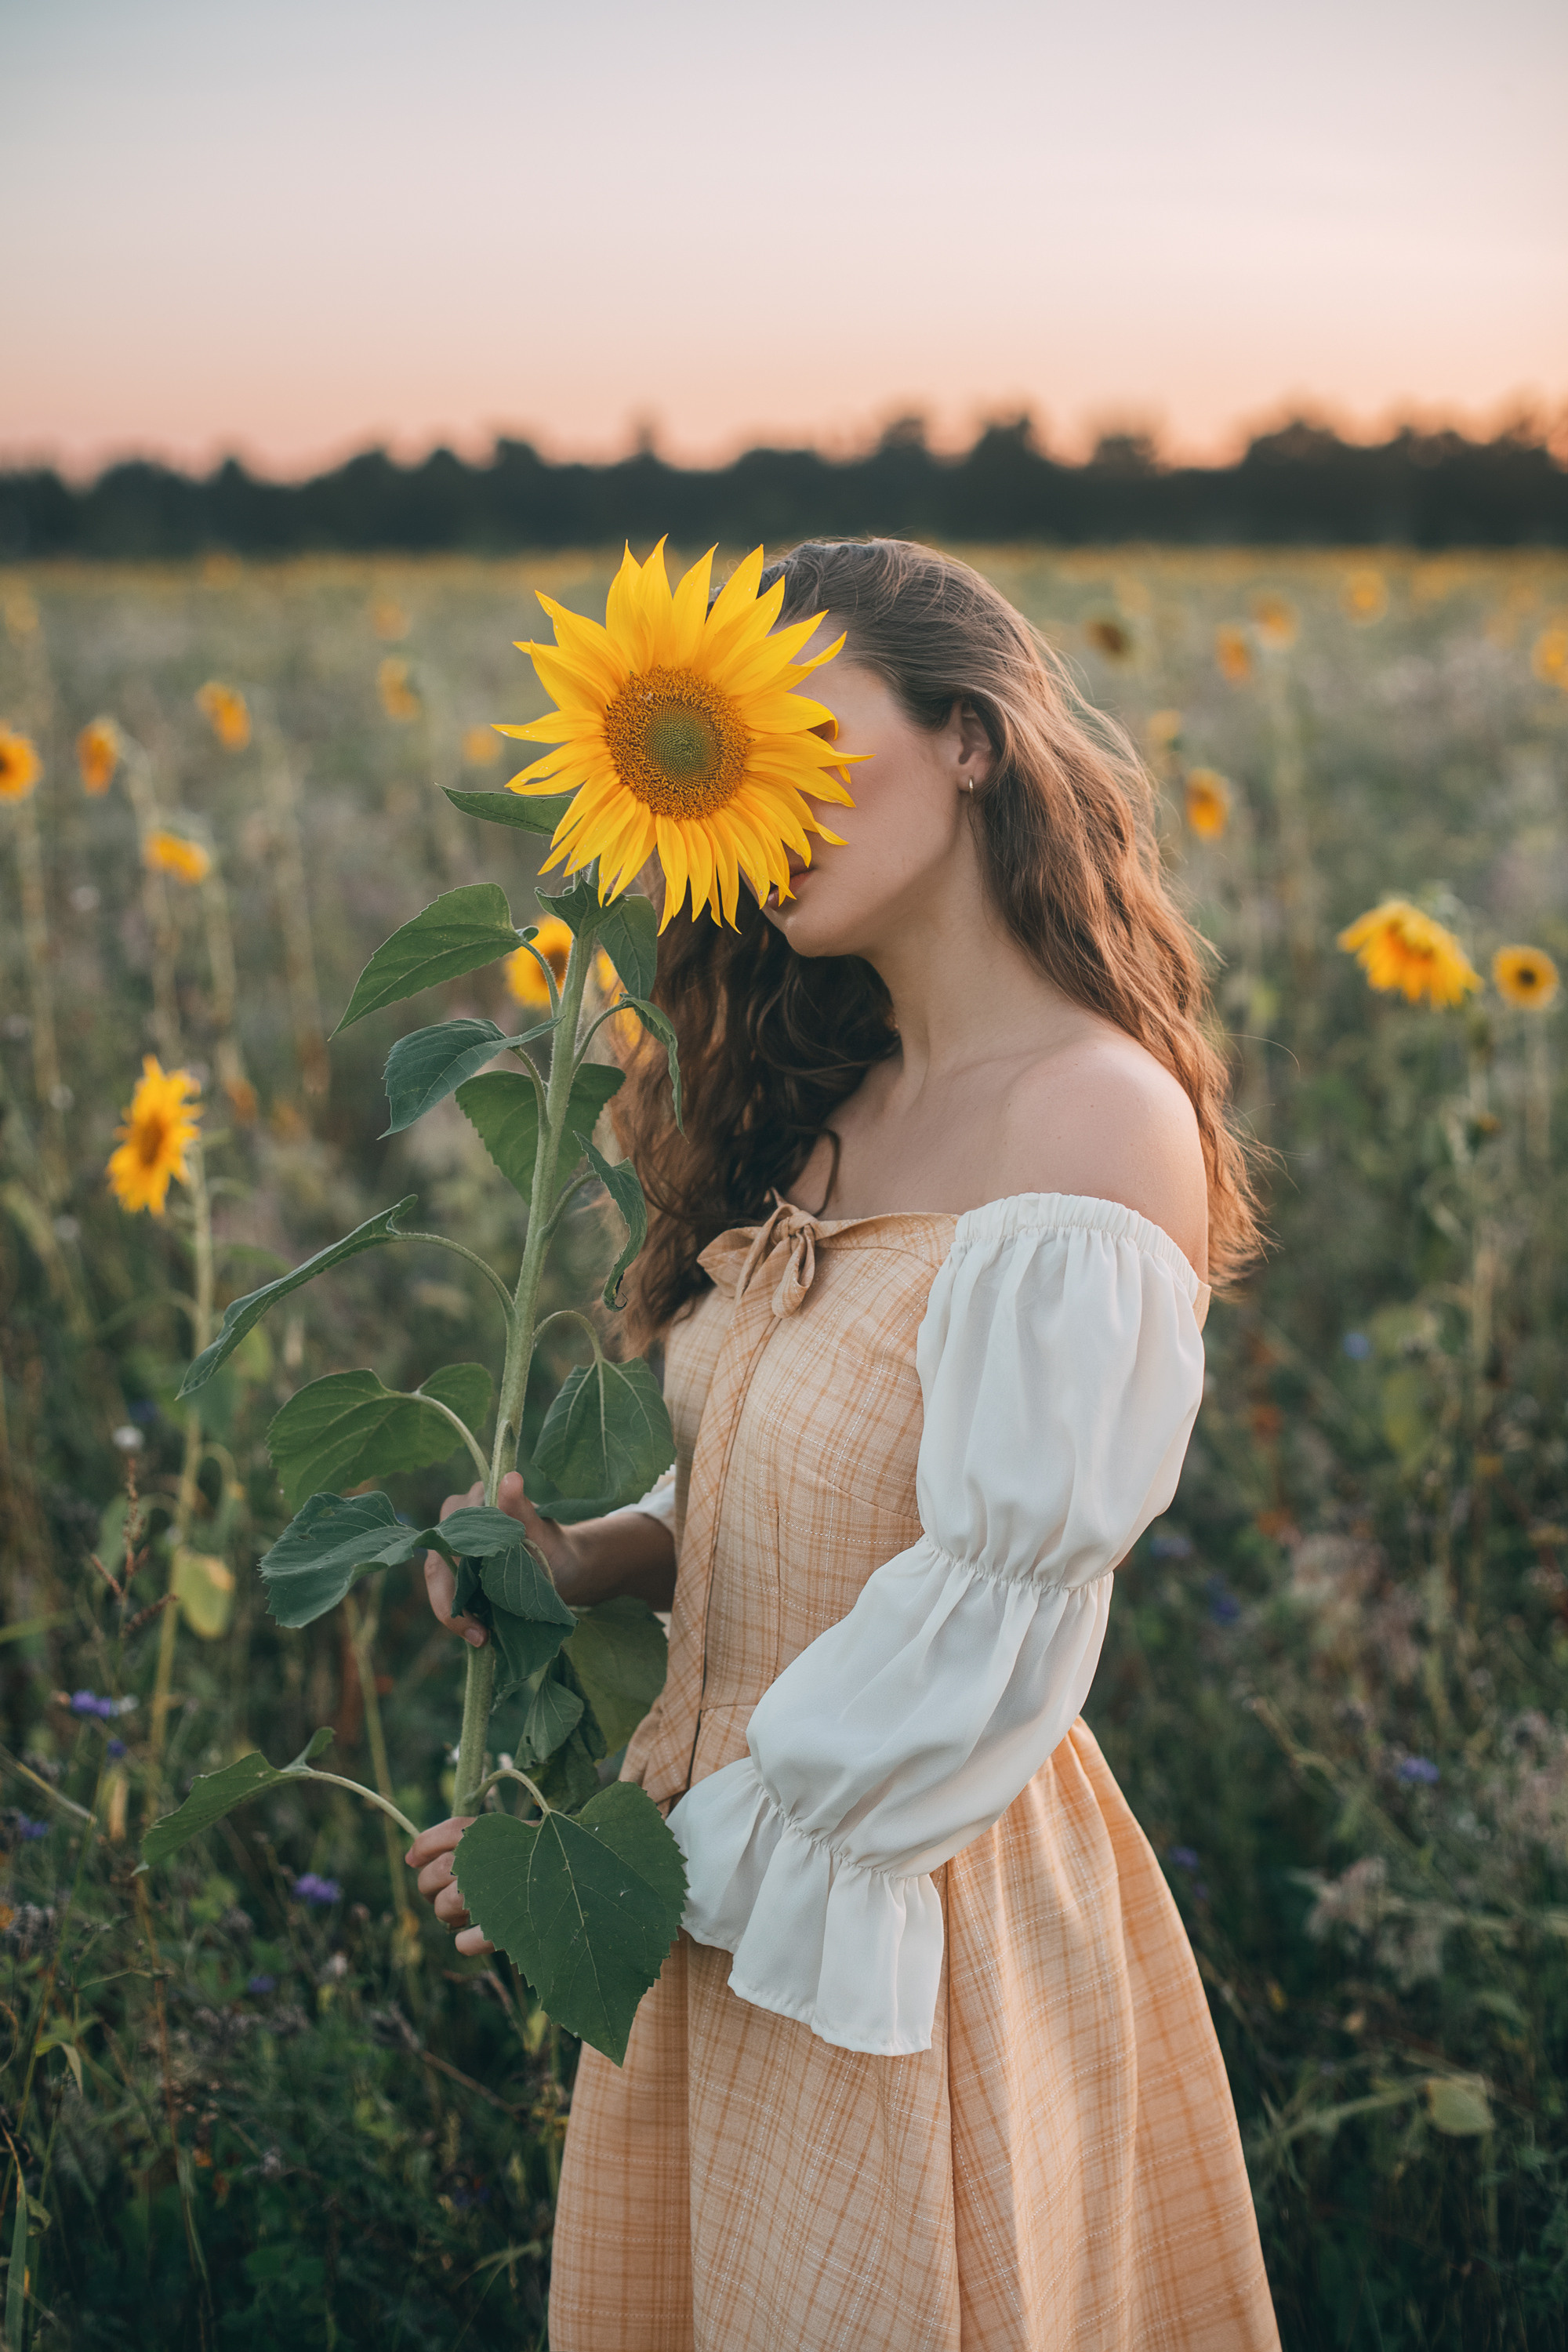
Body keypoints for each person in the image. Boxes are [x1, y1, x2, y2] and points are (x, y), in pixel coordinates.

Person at [406, 539, 1282, 2350]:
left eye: (815, 742)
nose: (768, 805)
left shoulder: (1089, 1120)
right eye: (734, 765)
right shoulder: (841, 1102)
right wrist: (593, 1554)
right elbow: (806, 1454)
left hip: (889, 1902)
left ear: (971, 741)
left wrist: (635, 1870)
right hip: (721, 1875)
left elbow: (991, 1618)